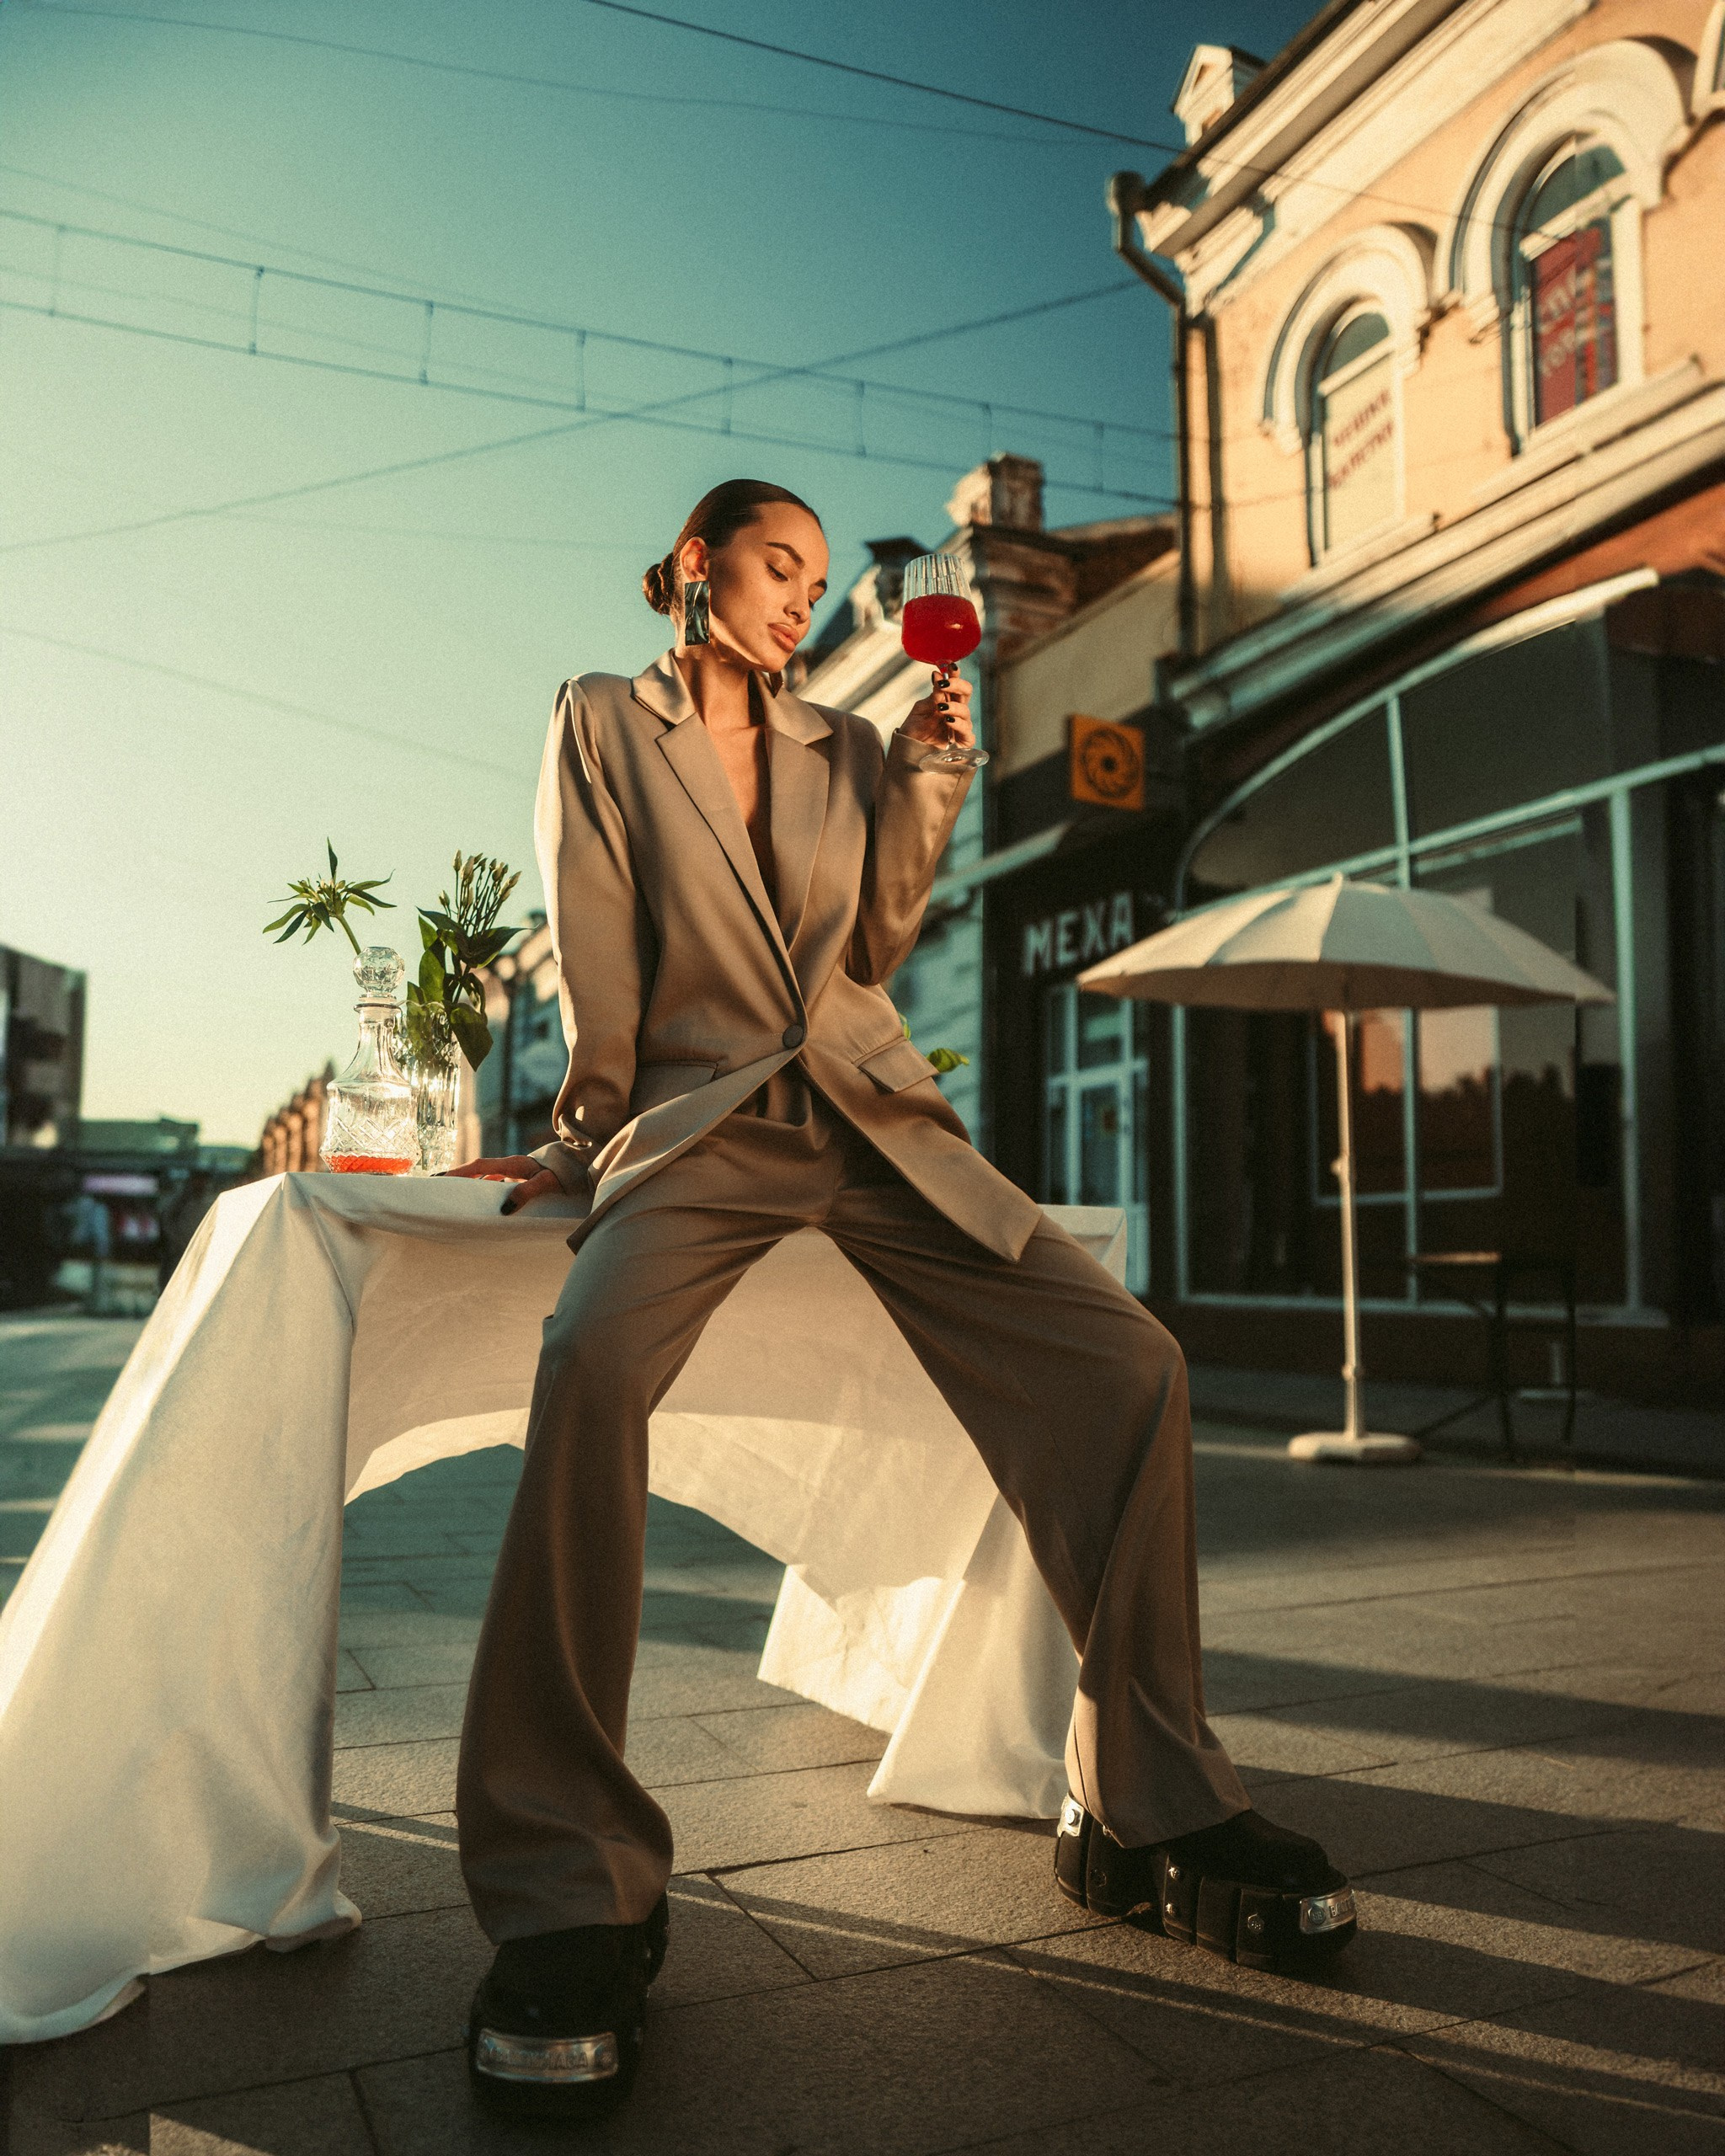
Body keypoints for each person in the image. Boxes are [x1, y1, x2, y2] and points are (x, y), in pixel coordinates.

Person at [448, 479, 1355, 2121]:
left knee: (1129, 1361)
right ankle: (570, 1874)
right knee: (584, 1363)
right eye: (776, 564)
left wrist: (934, 768)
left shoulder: (833, 748)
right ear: (698, 567)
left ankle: (1148, 1795)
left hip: (875, 1115)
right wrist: (585, 1132)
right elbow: (596, 925)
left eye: (815, 570)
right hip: (703, 1115)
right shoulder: (601, 717)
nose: (802, 591)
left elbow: (873, 935)